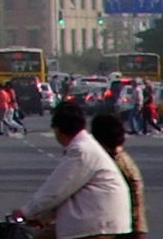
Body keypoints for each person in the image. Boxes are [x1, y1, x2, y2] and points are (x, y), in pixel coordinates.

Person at [12, 100, 131, 239]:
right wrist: (42, 217)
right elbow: (67, 192)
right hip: (95, 218)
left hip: (96, 223)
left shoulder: (81, 151)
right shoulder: (85, 145)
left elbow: (56, 190)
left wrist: (25, 212)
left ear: (58, 130)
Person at [90, 113, 146, 238]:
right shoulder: (117, 159)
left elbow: (135, 197)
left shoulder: (114, 162)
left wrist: (138, 229)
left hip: (117, 228)